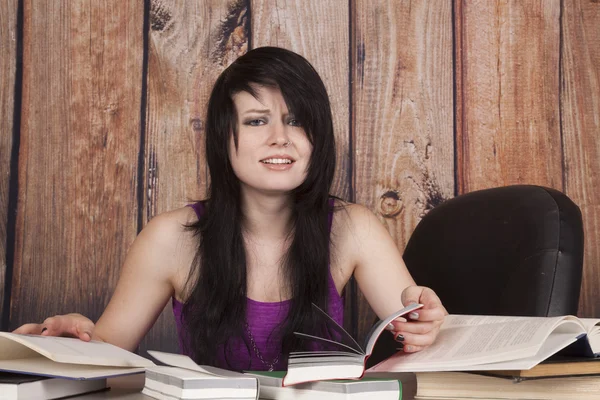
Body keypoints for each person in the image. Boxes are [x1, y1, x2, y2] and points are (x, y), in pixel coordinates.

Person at [15, 47, 446, 371]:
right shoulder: (171, 237)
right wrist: (68, 338)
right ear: (224, 139)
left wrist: (428, 324)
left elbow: (422, 340)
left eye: (296, 120)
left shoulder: (353, 228)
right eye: (257, 121)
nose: (280, 137)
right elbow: (104, 354)